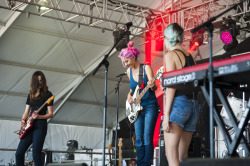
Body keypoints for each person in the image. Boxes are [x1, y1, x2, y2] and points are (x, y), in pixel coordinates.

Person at [162, 23, 199, 166]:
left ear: (168, 38)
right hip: (193, 105)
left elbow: (172, 86)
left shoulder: (170, 55)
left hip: (179, 104)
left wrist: (166, 116)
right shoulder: (190, 56)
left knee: (171, 155)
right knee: (183, 156)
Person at [118, 41, 158, 166]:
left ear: (133, 57)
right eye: (124, 62)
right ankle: (140, 163)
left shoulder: (146, 68)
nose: (125, 64)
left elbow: (154, 88)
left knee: (147, 137)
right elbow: (133, 89)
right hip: (137, 108)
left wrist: (152, 86)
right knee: (139, 139)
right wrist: (129, 95)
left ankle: (147, 163)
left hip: (150, 105)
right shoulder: (129, 72)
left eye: (127, 61)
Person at [16, 71, 54, 166]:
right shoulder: (31, 94)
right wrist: (23, 120)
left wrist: (39, 116)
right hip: (29, 125)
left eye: (41, 80)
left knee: (36, 155)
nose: (40, 83)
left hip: (40, 126)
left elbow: (50, 114)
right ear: (34, 81)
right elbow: (26, 112)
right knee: (18, 153)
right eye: (38, 81)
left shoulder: (48, 95)